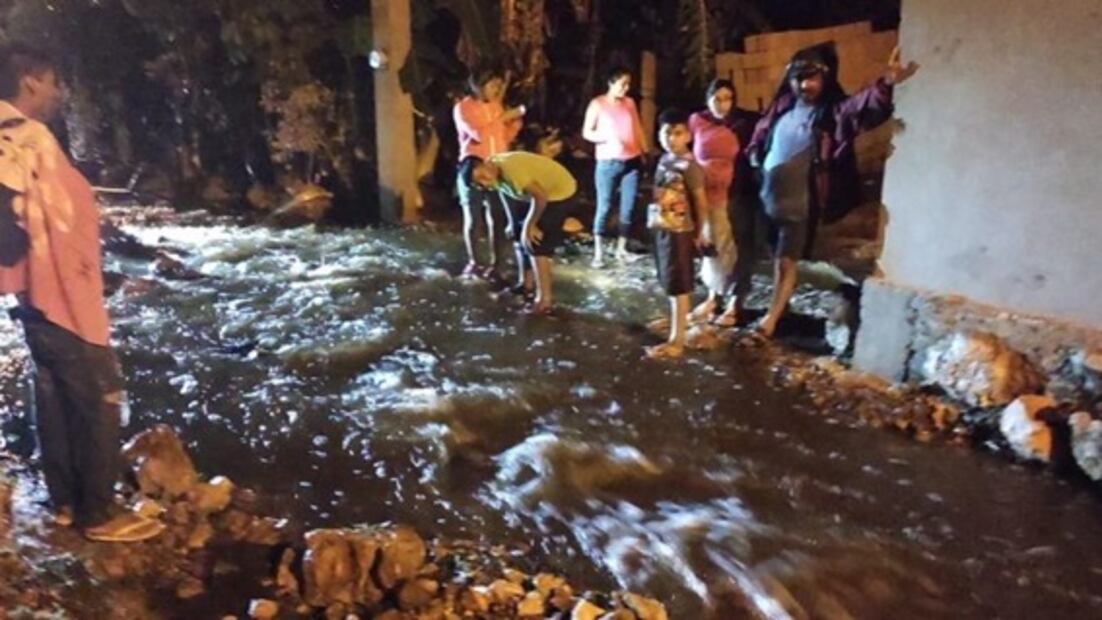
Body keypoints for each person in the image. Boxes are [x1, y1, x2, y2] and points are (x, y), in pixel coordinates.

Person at [0, 44, 163, 542]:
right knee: (97, 392)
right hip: (61, 296)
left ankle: (67, 502)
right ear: (30, 80)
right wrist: (19, 253)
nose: (58, 92)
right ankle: (99, 514)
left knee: (53, 392)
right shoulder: (22, 138)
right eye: (53, 81)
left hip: (36, 295)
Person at [747, 43, 917, 338]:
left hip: (799, 205)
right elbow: (761, 133)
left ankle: (771, 320)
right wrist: (753, 153)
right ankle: (780, 308)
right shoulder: (782, 107)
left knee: (787, 261)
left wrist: (887, 82)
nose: (804, 85)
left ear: (824, 80)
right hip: (768, 200)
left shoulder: (831, 115)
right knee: (776, 257)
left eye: (812, 78)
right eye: (799, 78)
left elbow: (860, 107)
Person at [466, 151, 577, 315]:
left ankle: (544, 299)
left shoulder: (511, 170)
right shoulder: (493, 172)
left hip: (557, 192)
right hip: (532, 196)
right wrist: (513, 222)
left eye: (482, 175)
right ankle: (526, 283)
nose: (485, 182)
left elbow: (541, 197)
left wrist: (529, 225)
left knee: (535, 243)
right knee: (517, 235)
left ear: (485, 164)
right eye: (479, 182)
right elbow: (504, 192)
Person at [645, 109, 709, 360]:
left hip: (680, 231)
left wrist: (699, 233)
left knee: (679, 284)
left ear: (688, 136)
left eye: (678, 133)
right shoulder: (664, 160)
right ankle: (675, 321)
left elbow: (701, 202)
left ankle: (677, 341)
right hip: (661, 227)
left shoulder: (690, 167)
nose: (672, 138)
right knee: (668, 279)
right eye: (667, 133)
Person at [453, 65, 525, 279]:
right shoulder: (463, 107)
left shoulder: (496, 106)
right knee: (474, 218)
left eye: (499, 85)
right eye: (493, 85)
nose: (497, 89)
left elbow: (502, 138)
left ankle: (497, 263)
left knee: (497, 217)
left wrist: (514, 125)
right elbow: (479, 134)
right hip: (474, 168)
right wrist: (502, 118)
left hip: (497, 168)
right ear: (479, 85)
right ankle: (474, 262)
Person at [582, 66, 648, 267]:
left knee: (628, 207)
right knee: (605, 205)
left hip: (631, 160)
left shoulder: (629, 103)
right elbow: (587, 132)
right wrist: (605, 137)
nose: (625, 88)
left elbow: (637, 127)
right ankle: (599, 252)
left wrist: (645, 150)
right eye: (622, 84)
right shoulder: (598, 104)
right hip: (608, 162)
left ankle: (621, 248)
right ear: (611, 83)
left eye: (628, 84)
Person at [687, 79, 740, 325]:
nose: (722, 104)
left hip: (726, 195)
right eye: (717, 98)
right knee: (704, 243)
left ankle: (722, 298)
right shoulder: (697, 121)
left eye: (727, 98)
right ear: (708, 99)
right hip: (698, 192)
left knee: (723, 246)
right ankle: (707, 295)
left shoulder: (738, 125)